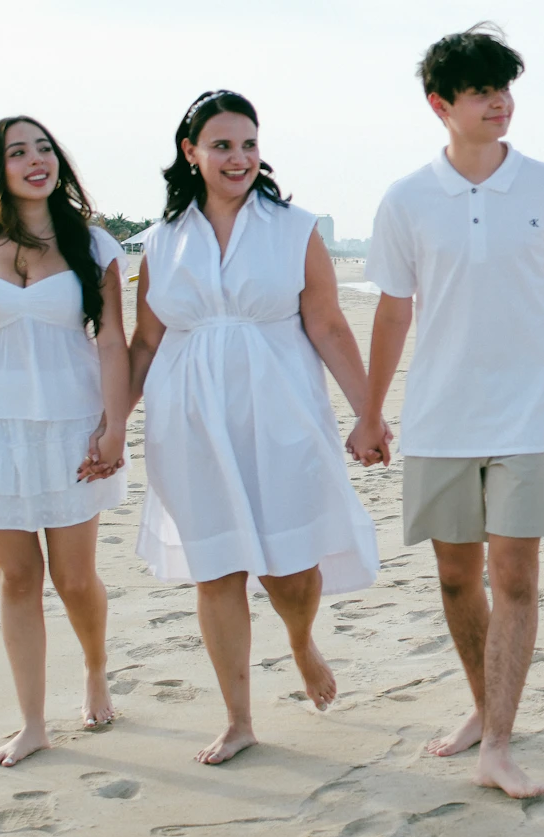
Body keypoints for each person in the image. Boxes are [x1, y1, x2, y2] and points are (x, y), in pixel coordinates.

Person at [348, 25, 544, 799]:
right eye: (481, 92)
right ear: (441, 104)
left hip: (528, 413)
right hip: (440, 415)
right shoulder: (406, 199)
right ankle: (484, 706)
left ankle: (498, 743)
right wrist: (370, 412)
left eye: (505, 88)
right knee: (453, 577)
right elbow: (393, 314)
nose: (499, 103)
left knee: (517, 577)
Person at [124, 90, 379, 765]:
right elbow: (145, 343)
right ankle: (238, 718)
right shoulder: (162, 241)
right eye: (222, 145)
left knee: (293, 569)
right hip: (190, 422)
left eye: (248, 144)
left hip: (282, 413)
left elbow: (327, 323)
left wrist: (369, 411)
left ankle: (300, 639)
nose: (238, 158)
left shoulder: (295, 228)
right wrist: (108, 425)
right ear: (191, 153)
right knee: (218, 569)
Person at [0, 116, 130, 767]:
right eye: (18, 152)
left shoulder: (93, 245)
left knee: (74, 579)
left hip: (73, 424)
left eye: (43, 148)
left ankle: (96, 668)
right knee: (18, 579)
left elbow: (110, 341)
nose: (35, 160)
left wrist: (116, 422)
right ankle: (33, 722)